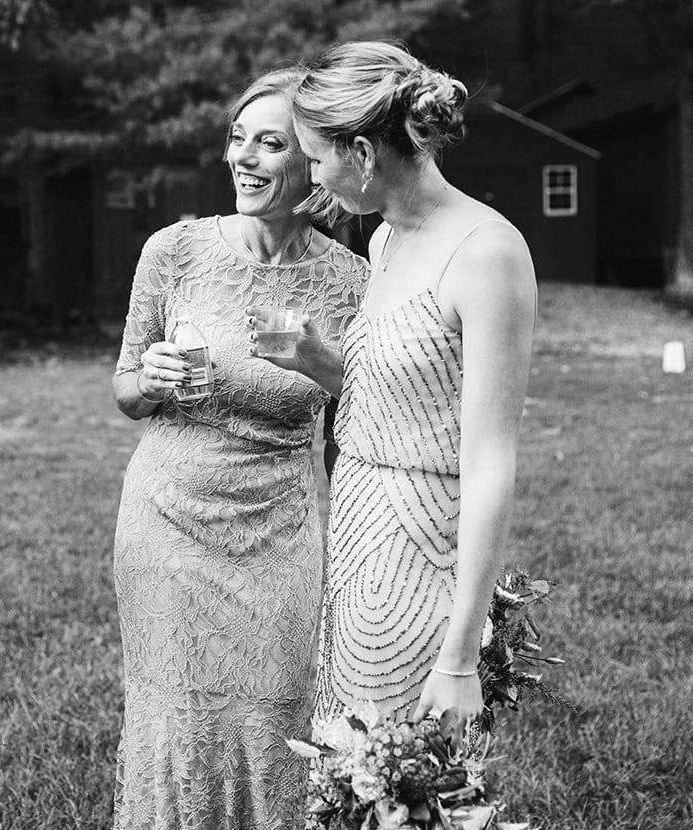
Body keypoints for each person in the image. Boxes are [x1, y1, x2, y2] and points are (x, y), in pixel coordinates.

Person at [255, 40, 537, 747]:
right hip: (355, 536)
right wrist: (322, 360)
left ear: (363, 154)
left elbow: (489, 464)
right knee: (346, 770)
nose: (311, 175)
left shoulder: (486, 253)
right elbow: (401, 399)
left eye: (316, 157)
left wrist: (462, 655)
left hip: (422, 555)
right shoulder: (382, 240)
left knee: (405, 779)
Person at [111, 67, 368, 829]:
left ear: (312, 165)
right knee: (178, 713)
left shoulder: (353, 280)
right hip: (167, 520)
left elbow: (364, 420)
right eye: (236, 139)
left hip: (279, 528)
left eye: (270, 144)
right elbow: (125, 387)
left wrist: (321, 362)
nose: (243, 159)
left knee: (277, 707)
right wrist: (148, 379)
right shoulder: (175, 251)